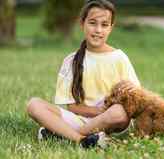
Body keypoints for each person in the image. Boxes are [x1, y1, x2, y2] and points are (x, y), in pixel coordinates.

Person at [26, 0, 140, 145]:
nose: (98, 30)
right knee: (34, 104)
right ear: (82, 23)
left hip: (111, 121)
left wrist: (131, 90)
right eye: (92, 23)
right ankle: (82, 140)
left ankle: (62, 134)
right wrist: (97, 112)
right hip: (80, 119)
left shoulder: (119, 57)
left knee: (120, 113)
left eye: (104, 25)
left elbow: (136, 94)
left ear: (111, 28)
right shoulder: (71, 60)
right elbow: (72, 107)